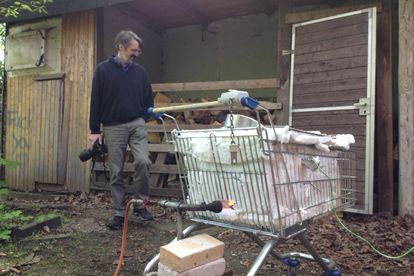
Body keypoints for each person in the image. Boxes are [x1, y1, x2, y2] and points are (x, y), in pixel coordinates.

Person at [89, 30, 154, 230]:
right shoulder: (102, 70)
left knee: (143, 161)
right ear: (120, 46)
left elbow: (148, 100)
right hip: (113, 126)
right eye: (133, 50)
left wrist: (142, 119)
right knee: (116, 170)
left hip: (136, 124)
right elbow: (96, 101)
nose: (136, 54)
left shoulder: (140, 73)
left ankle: (140, 204)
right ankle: (118, 212)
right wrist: (94, 130)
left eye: (137, 51)